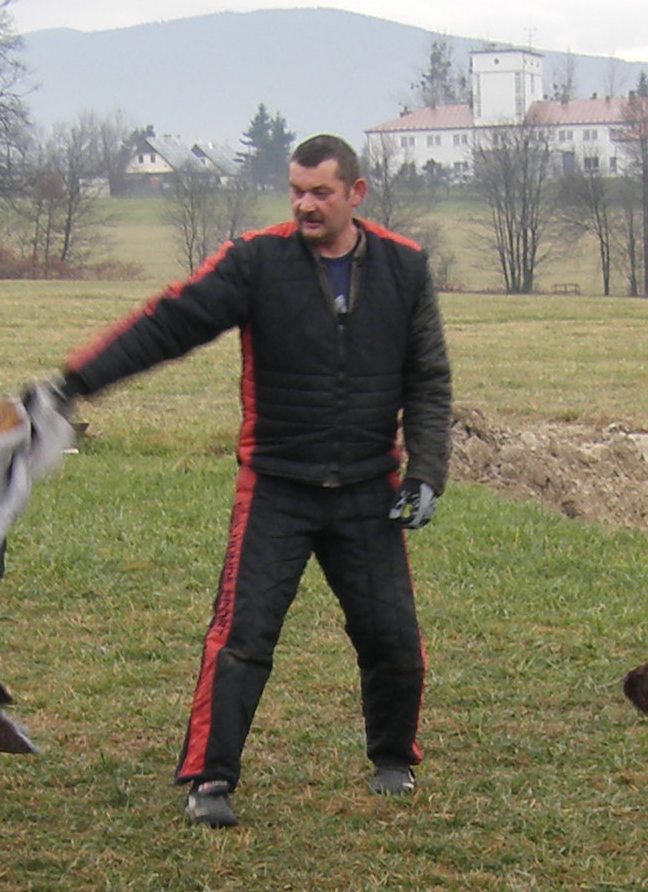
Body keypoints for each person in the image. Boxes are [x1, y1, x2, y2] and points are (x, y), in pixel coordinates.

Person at [42, 134, 450, 827]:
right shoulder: (259, 261)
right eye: (296, 190)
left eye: (320, 192)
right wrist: (77, 379)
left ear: (356, 193)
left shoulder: (405, 268)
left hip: (367, 490)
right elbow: (171, 322)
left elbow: (429, 380)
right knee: (241, 636)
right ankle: (209, 781)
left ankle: (392, 760)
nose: (305, 204)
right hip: (276, 486)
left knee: (392, 638)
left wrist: (428, 473)